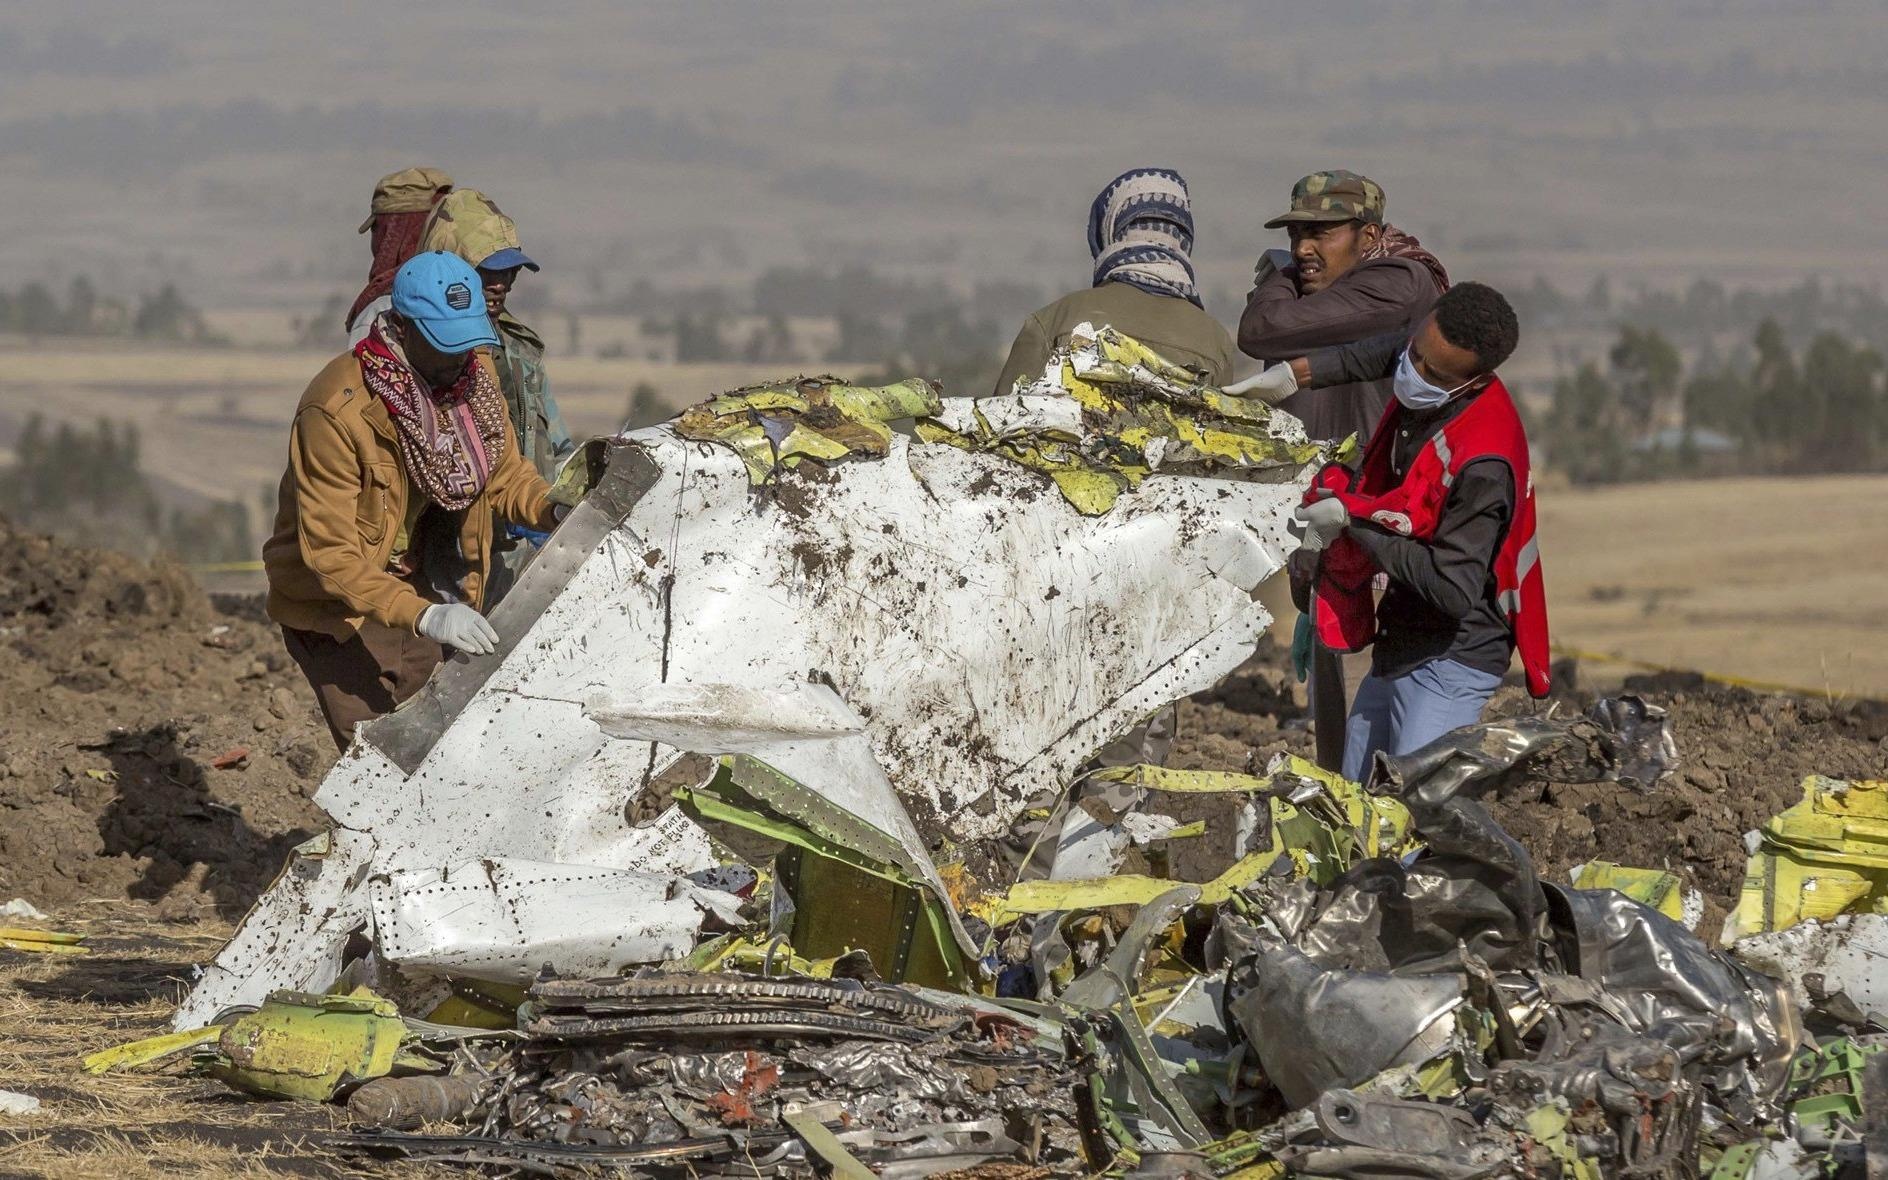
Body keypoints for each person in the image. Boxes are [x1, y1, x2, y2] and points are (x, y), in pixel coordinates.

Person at [265, 251, 560, 751]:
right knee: (376, 762)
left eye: (466, 343)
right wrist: (426, 616)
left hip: (412, 581)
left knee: (437, 744)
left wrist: (555, 509)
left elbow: (504, 474)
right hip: (336, 608)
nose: (458, 360)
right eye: (445, 345)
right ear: (404, 328)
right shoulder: (336, 411)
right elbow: (331, 555)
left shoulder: (470, 380)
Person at [1279, 282, 1550, 782]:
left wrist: (1356, 524)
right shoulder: (1430, 363)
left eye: (1431, 371)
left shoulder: (1483, 462)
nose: (1411, 373)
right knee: (1354, 798)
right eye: (1415, 354)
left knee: (1420, 814)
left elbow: (1452, 586)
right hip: (1403, 639)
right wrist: (1292, 376)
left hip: (1451, 661)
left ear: (1470, 381)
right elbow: (1386, 353)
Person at [419, 188, 575, 603]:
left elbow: (554, 442)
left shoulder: (518, 348)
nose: (501, 284)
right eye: (486, 272)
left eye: (509, 272)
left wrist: (561, 503)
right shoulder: (421, 353)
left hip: (521, 547)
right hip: (447, 556)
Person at [1237, 170, 1449, 446]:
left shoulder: (1399, 280)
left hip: (1370, 483)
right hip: (1312, 478)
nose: (1301, 249)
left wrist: (1283, 275)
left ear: (1369, 236)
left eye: (1318, 234)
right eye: (1295, 235)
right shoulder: (1316, 288)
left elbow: (1261, 329)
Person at [992, 168, 1233, 395]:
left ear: (1107, 229)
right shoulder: (1216, 341)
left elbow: (998, 421)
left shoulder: (1057, 318)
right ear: (1184, 236)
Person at [346, 166, 454, 344]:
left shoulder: (382, 310)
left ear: (391, 232)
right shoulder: (465, 295)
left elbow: (358, 370)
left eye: (377, 229)